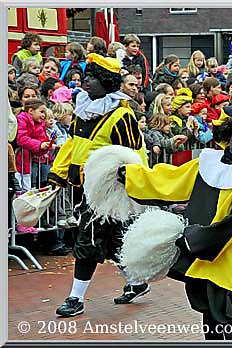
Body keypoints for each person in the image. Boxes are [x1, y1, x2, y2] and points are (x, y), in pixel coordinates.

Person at [119, 99, 232, 340]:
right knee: (209, 318)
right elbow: (171, 180)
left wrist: (191, 240)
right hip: (204, 251)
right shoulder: (208, 161)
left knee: (231, 323)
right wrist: (131, 175)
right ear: (229, 131)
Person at [49, 53, 150, 317]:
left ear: (107, 82)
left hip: (109, 192)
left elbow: (135, 153)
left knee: (88, 240)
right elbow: (73, 144)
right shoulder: (82, 111)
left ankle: (75, 298)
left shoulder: (122, 116)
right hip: (84, 188)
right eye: (87, 76)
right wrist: (58, 174)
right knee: (114, 241)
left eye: (93, 78)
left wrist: (140, 187)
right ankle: (137, 282)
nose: (86, 81)